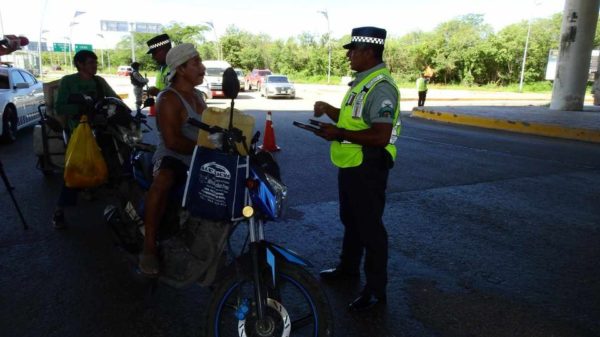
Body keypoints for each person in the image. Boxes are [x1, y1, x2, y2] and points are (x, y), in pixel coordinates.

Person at [312, 26, 401, 311]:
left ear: (369, 52)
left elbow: (380, 136)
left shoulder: (381, 86)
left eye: (353, 50)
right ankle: (347, 270)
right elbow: (353, 121)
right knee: (351, 220)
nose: (349, 55)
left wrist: (338, 134)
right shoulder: (361, 83)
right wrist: (329, 111)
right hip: (352, 163)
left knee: (370, 228)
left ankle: (376, 292)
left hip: (368, 165)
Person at [139, 43, 207, 276]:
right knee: (164, 181)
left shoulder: (198, 95)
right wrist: (206, 147)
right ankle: (149, 246)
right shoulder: (169, 98)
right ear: (180, 68)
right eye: (196, 62)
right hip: (173, 155)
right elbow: (173, 141)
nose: (203, 67)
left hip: (200, 155)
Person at [52, 50, 120, 229]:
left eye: (95, 63)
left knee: (118, 162)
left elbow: (115, 99)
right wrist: (82, 108)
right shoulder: (68, 81)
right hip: (79, 131)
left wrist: (127, 113)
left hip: (103, 129)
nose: (94, 66)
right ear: (80, 64)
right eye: (90, 63)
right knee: (75, 171)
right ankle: (59, 211)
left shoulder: (99, 81)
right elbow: (60, 107)